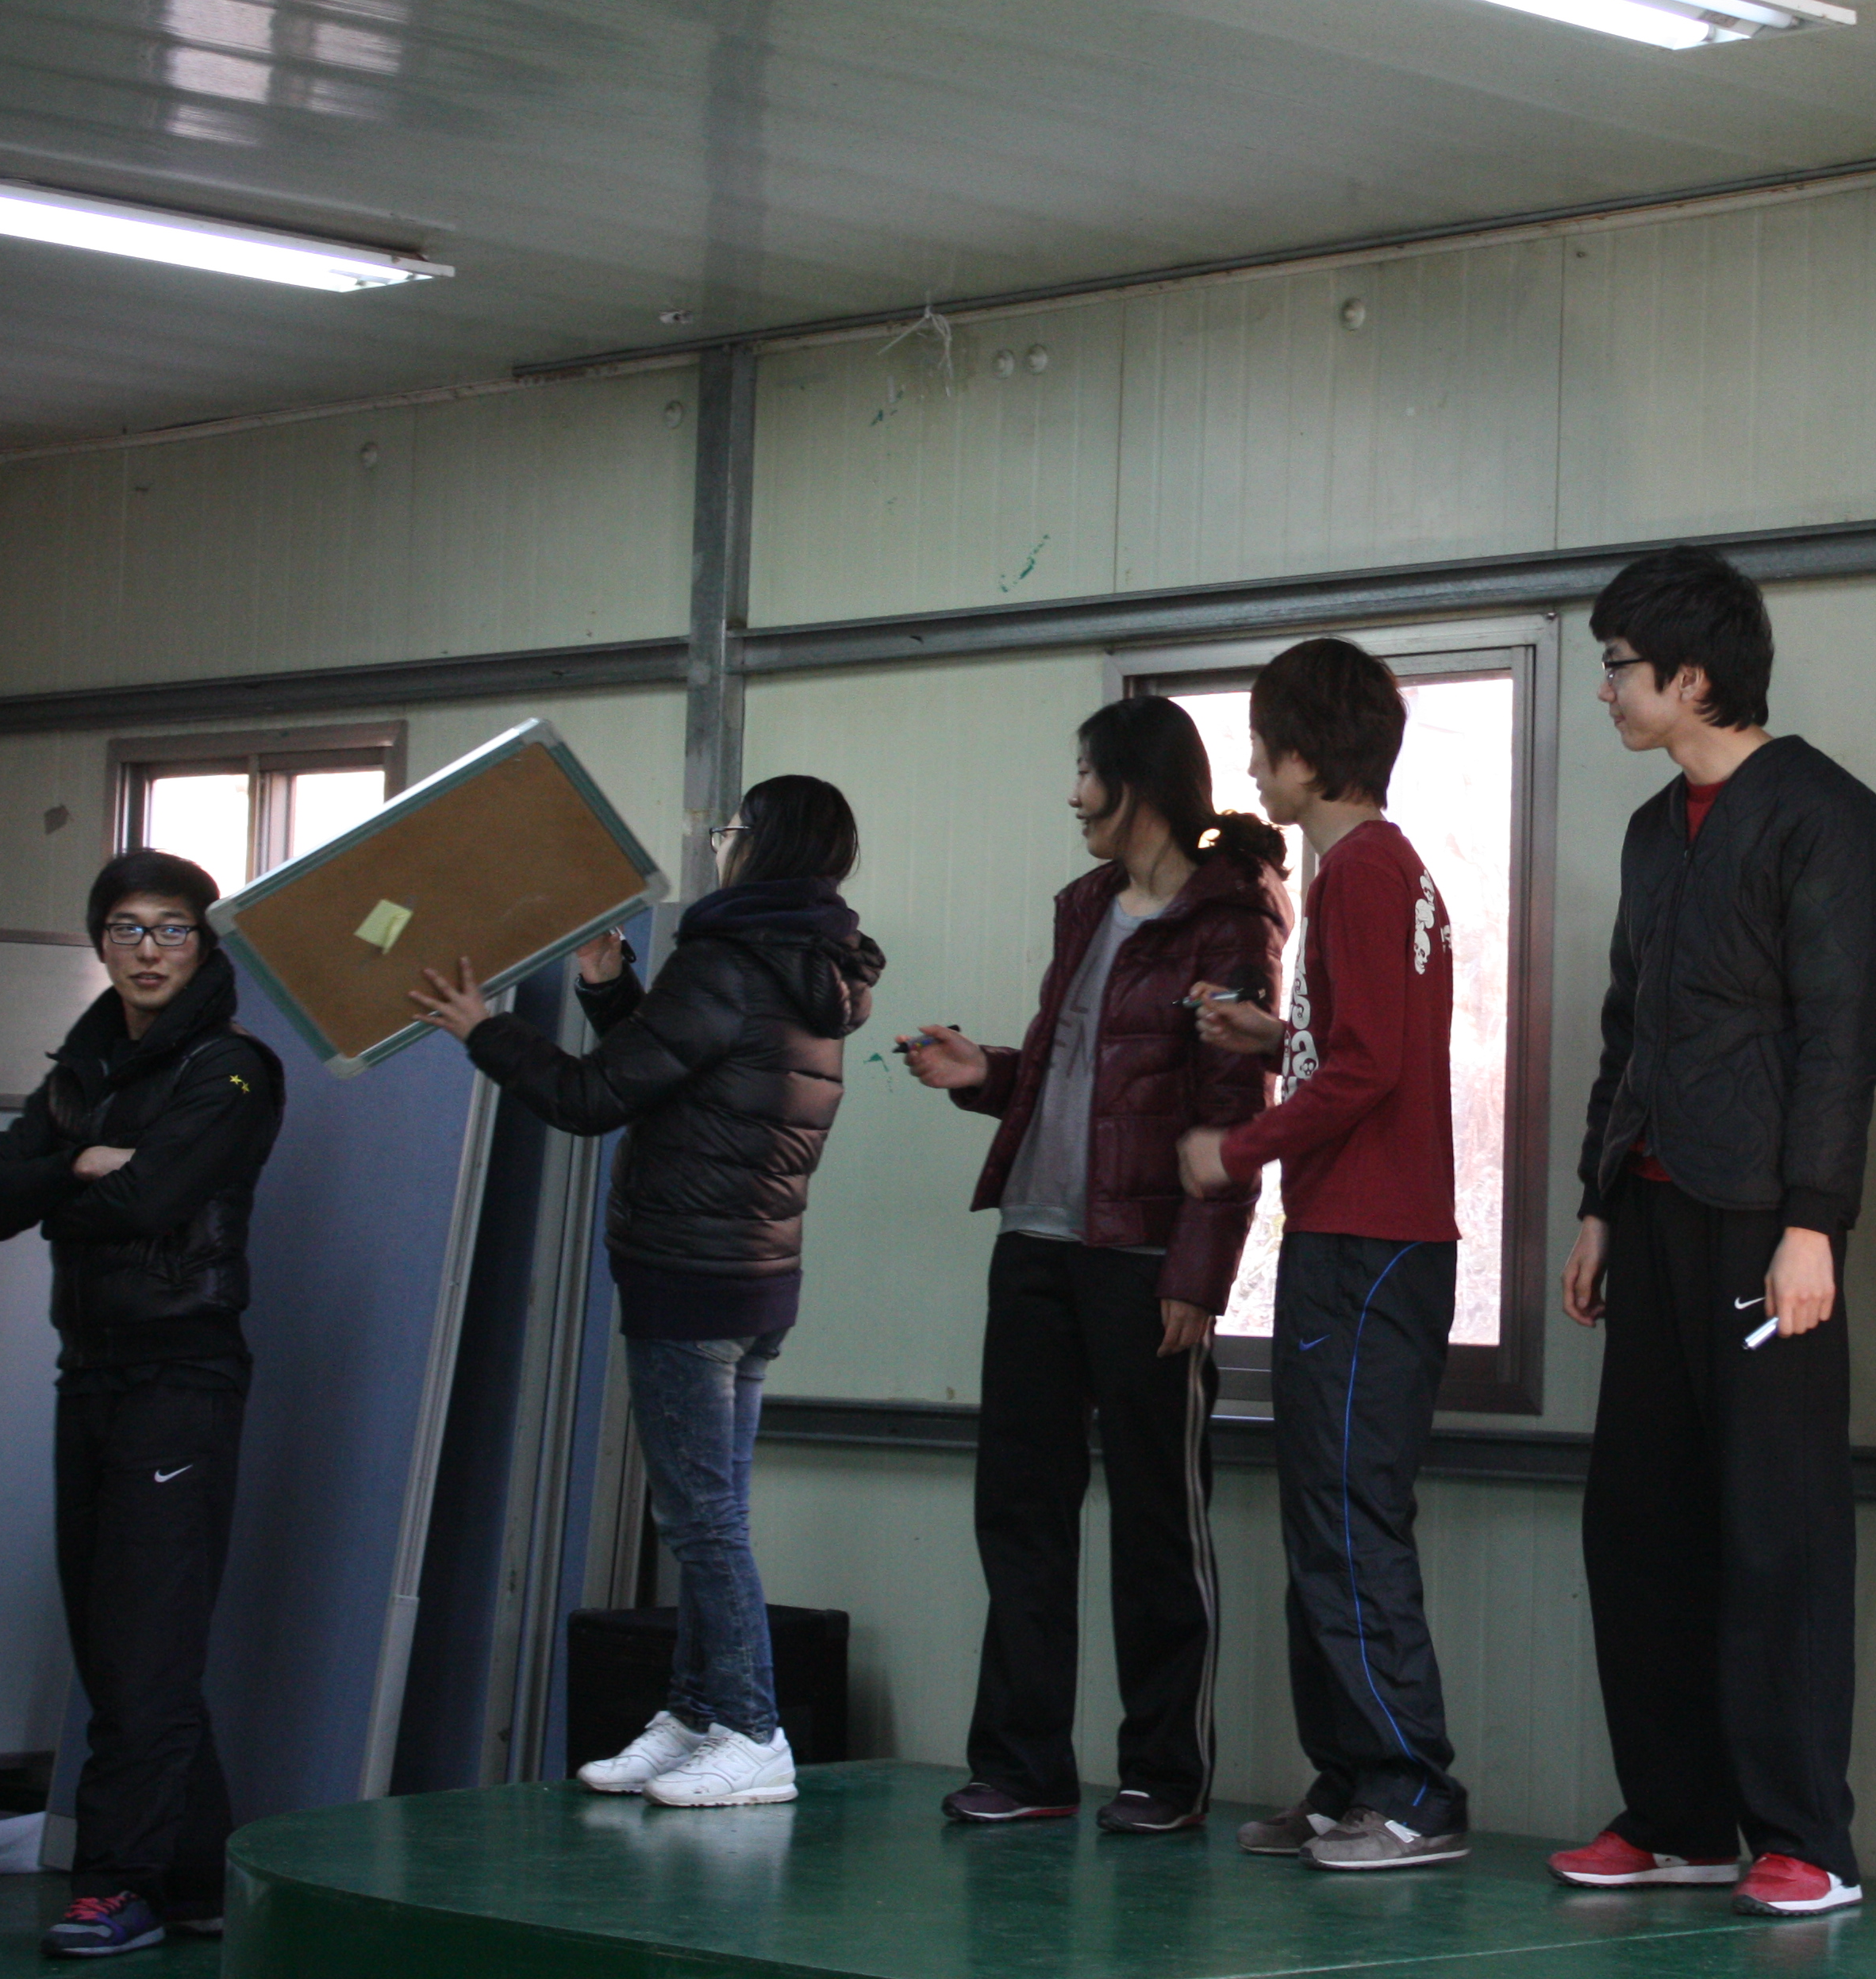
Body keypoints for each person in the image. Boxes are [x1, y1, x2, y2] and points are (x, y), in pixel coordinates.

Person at [1552, 545, 1876, 1922]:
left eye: (1620, 669)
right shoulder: (1657, 830)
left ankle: (1806, 1836)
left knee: (1779, 1526)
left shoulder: (1831, 820)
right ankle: (1678, 1819)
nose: (1606, 691)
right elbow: (1627, 1028)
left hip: (1768, 1220)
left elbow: (1842, 1042)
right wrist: (1597, 1199)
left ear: (1692, 679)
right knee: (1638, 1520)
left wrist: (1814, 1223)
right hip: (1651, 1210)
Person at [410, 774, 882, 1812]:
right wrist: (607, 984)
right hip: (756, 1273)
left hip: (690, 1275)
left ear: (760, 845)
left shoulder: (727, 958)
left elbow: (592, 1097)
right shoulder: (810, 966)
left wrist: (482, 1030)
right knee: (714, 1516)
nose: (721, 847)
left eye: (730, 831)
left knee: (703, 1522)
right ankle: (698, 1712)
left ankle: (750, 1732)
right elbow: (677, 1075)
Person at [909, 697, 1290, 1835]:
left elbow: (1234, 1111)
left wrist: (1198, 1276)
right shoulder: (1085, 904)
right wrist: (987, 1075)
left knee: (1157, 1523)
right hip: (1035, 1240)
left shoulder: (1229, 921)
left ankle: (1163, 1776)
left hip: (1144, 1258)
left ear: (1139, 787)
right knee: (1020, 1511)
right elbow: (1075, 1074)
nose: (1073, 795)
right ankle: (1023, 1765)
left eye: (1087, 773)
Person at [0, 850, 286, 1960]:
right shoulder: (85, 1070)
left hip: (179, 1378)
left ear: (205, 943)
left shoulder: (230, 1069)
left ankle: (116, 1886)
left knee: (144, 1646)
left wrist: (72, 1181)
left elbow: (151, 1199)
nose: (150, 950)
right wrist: (73, 1167)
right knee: (115, 1645)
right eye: (128, 929)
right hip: (90, 1373)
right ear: (101, 943)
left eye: (173, 928)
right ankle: (195, 1878)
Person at [1177, 636, 1467, 1873]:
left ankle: (1411, 1792)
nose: (1253, 770)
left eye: (1262, 747)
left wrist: (1237, 1148)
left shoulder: (1361, 873)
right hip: (1357, 1237)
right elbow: (1351, 1044)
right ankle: (1352, 1777)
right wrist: (1270, 1032)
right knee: (1322, 1513)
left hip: (1370, 1241)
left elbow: (1370, 1070)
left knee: (1349, 1516)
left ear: (1308, 755)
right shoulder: (1369, 867)